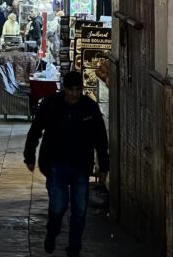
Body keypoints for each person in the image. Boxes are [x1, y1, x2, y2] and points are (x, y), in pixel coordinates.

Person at [23, 70, 109, 257]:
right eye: (71, 89)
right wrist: (29, 156)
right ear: (64, 89)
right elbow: (35, 130)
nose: (74, 94)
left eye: (78, 89)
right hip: (56, 164)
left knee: (79, 209)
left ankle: (74, 248)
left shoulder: (89, 108)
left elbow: (100, 138)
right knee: (58, 206)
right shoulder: (51, 104)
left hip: (81, 165)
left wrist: (104, 165)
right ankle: (52, 232)